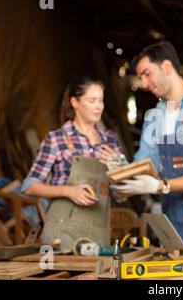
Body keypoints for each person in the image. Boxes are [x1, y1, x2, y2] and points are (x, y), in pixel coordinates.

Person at [116, 41, 183, 253]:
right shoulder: (156, 114)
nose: (144, 84)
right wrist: (122, 177)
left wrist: (160, 186)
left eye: (147, 74)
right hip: (171, 224)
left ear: (166, 66)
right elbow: (144, 162)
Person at [21, 76, 125, 251]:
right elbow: (29, 186)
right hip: (62, 233)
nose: (99, 106)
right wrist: (67, 191)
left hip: (99, 233)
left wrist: (120, 168)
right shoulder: (56, 139)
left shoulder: (110, 141)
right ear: (75, 102)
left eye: (101, 100)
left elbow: (121, 196)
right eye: (92, 100)